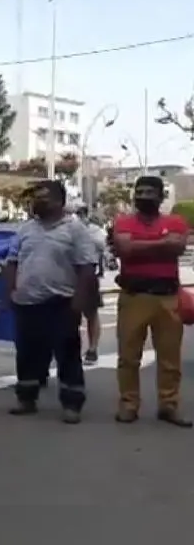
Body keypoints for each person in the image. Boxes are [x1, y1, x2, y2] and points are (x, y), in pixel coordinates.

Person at [5, 180, 97, 424]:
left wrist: (79, 301)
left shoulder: (75, 230)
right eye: (35, 197)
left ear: (60, 201)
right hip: (27, 303)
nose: (37, 201)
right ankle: (26, 398)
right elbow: (12, 261)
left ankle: (72, 403)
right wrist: (11, 291)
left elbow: (87, 267)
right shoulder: (25, 229)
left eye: (43, 197)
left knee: (67, 354)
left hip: (61, 303)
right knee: (27, 354)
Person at [112, 176, 191, 427]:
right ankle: (129, 405)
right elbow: (124, 249)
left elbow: (177, 247)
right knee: (128, 356)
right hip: (133, 296)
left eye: (150, 191)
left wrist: (139, 245)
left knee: (170, 357)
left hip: (167, 297)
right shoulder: (123, 221)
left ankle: (169, 406)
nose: (144, 196)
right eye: (140, 191)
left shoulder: (176, 221)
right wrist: (162, 243)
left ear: (161, 197)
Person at [75, 206, 107, 365]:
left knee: (91, 313)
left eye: (80, 213)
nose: (77, 216)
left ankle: (93, 348)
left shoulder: (94, 230)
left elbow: (102, 246)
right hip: (66, 275)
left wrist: (83, 232)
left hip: (88, 274)